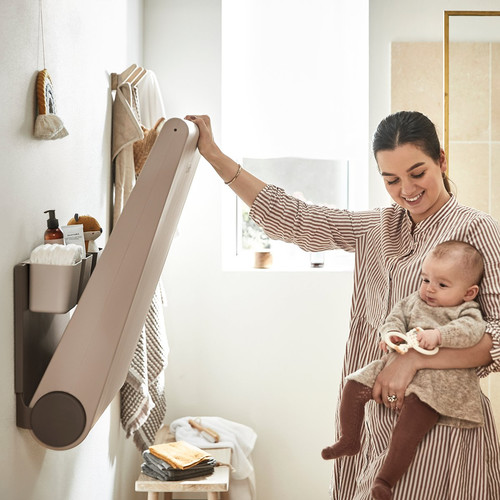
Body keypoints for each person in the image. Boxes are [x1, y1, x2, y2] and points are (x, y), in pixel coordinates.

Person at [185, 111, 500, 499]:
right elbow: (295, 219)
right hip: (377, 423)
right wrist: (214, 154)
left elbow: (496, 337)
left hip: (444, 429)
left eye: (418, 173)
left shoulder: (475, 230)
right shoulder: (379, 228)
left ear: (442, 161)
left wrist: (415, 359)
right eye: (392, 179)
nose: (407, 189)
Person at [321, 240, 486, 500]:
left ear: (468, 292)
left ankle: (385, 480)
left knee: (416, 419)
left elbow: (473, 332)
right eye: (425, 280)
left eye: (442, 285)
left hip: (438, 381)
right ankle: (350, 438)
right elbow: (393, 320)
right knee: (353, 385)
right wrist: (392, 335)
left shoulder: (466, 311)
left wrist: (439, 335)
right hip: (395, 363)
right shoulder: (412, 302)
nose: (430, 289)